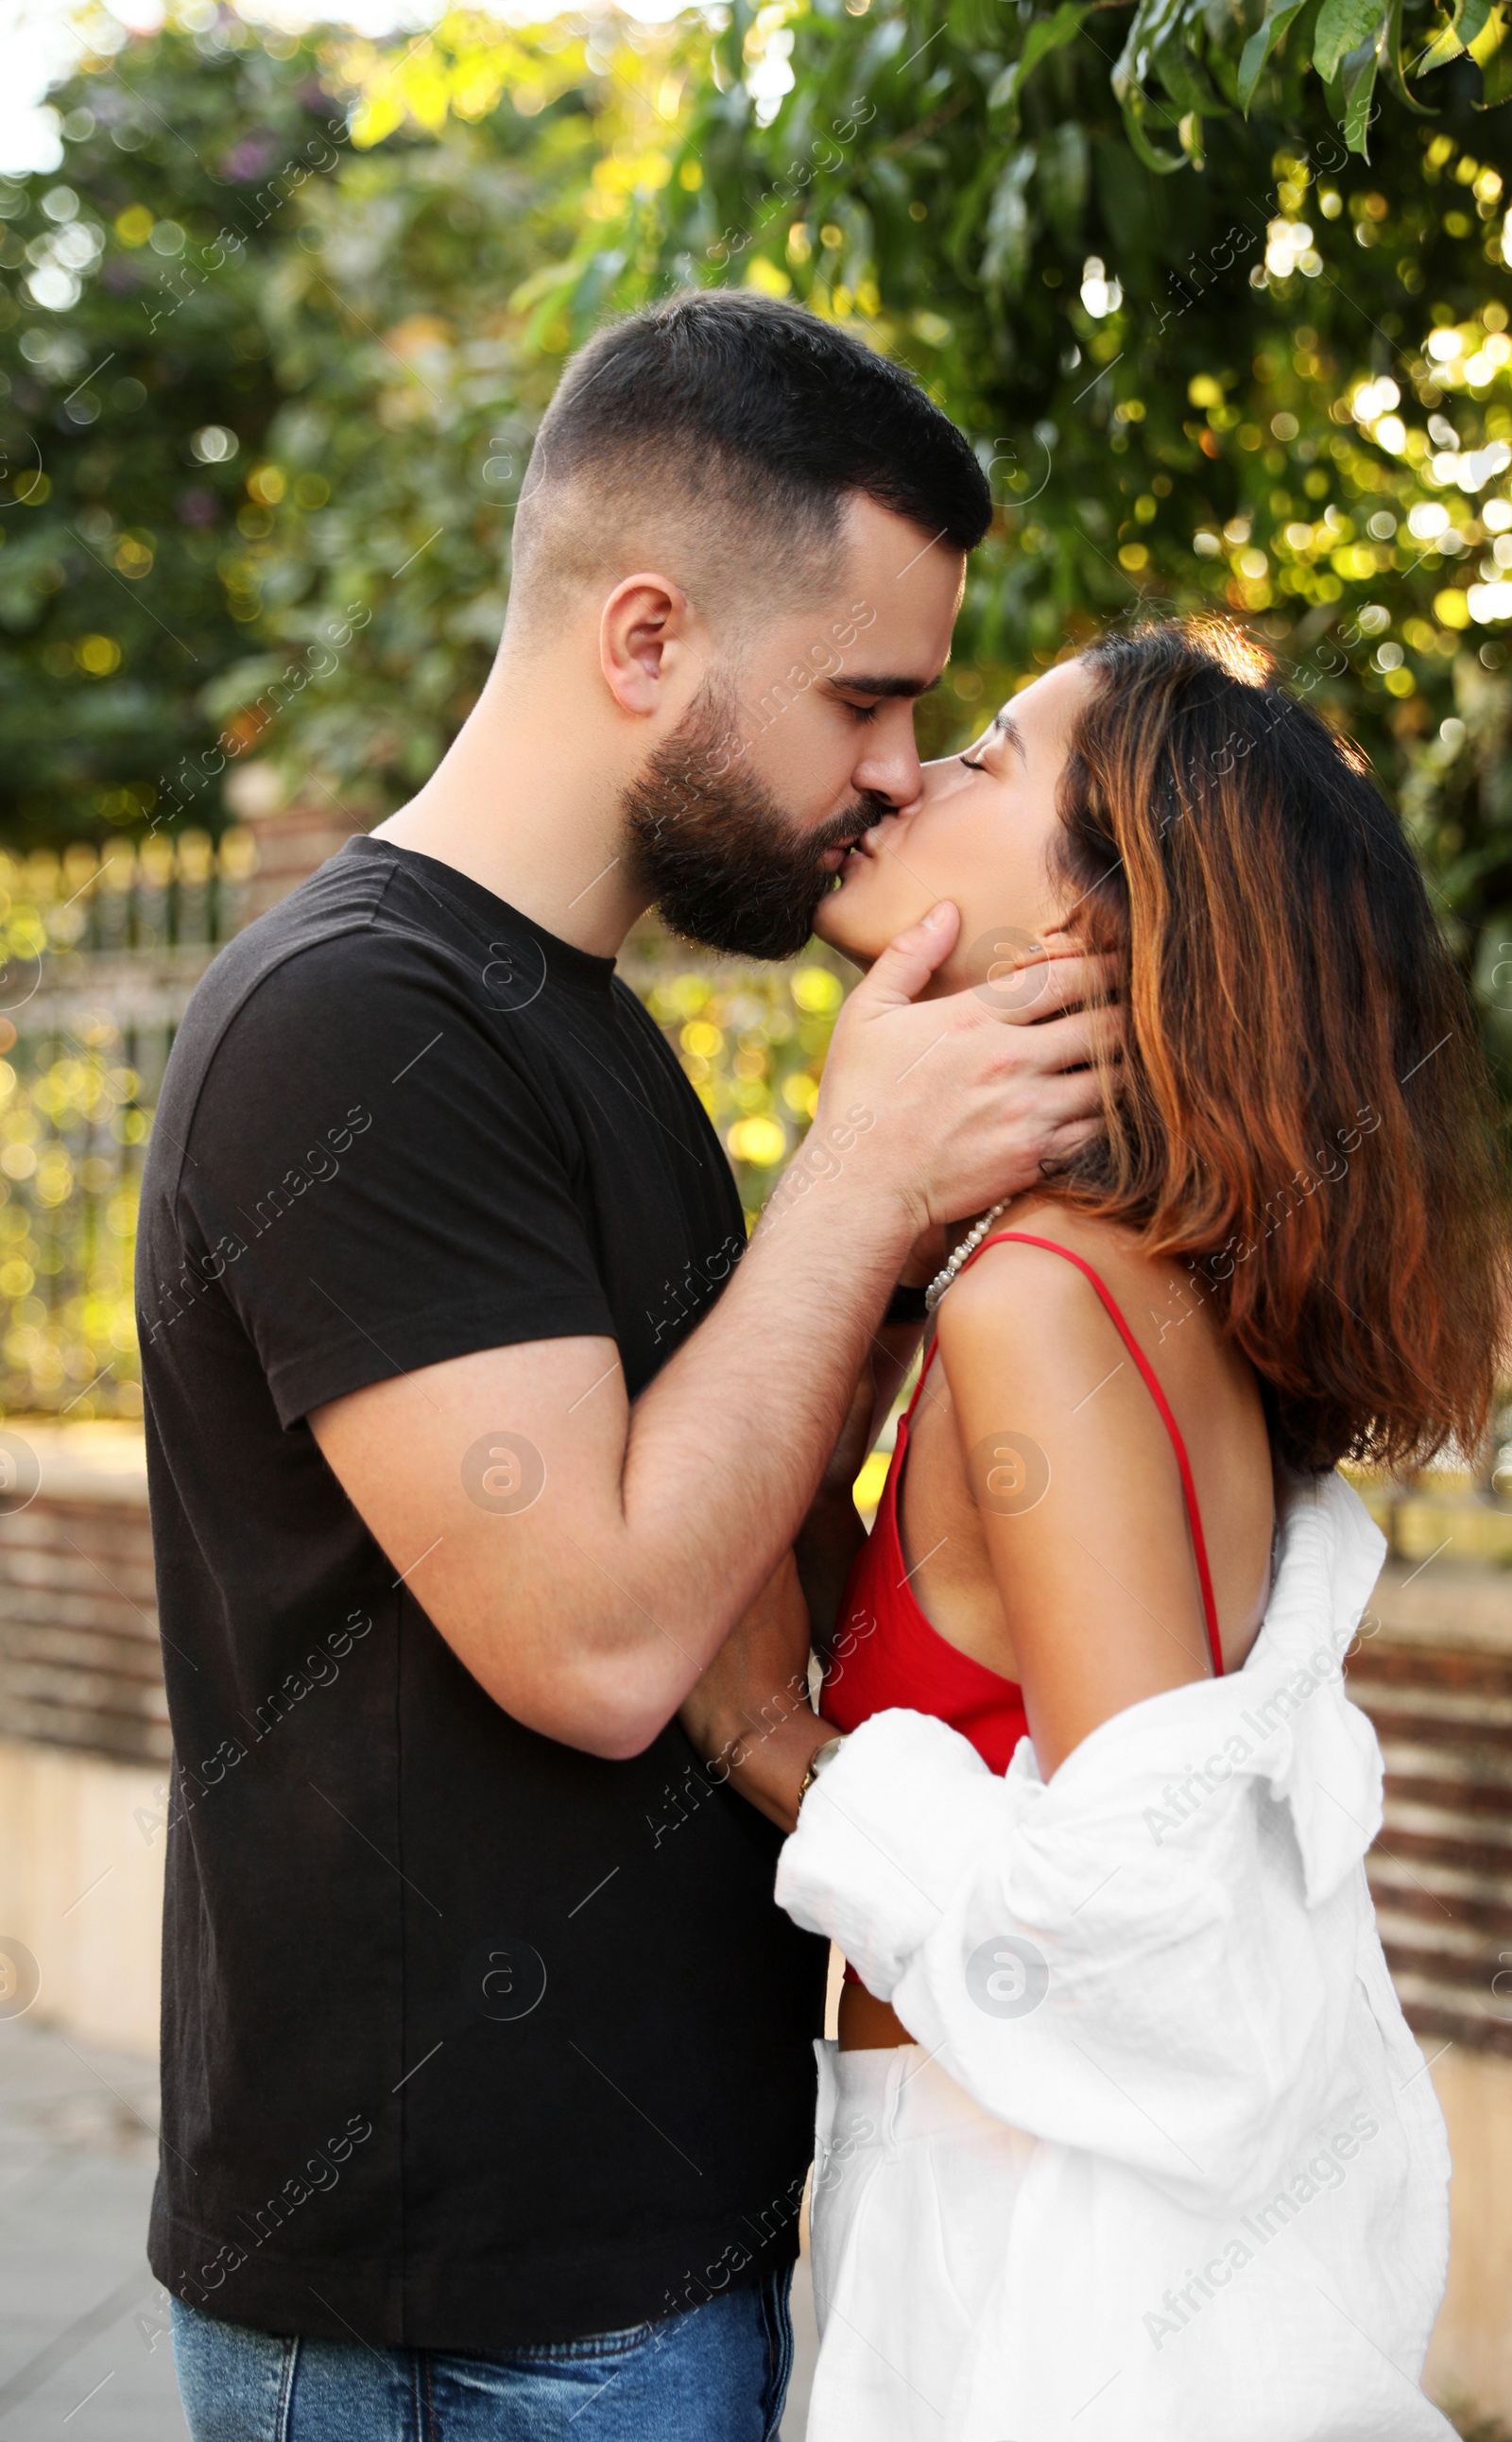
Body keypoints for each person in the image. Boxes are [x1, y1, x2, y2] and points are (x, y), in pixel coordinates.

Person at [138, 292, 1114, 2442]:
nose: (890, 769)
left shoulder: (578, 1019)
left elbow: (709, 1494)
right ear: (649, 639)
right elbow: (590, 1636)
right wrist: (856, 1182)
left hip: (639, 2251)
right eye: (866, 695)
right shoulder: (356, 1024)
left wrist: (900, 1259)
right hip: (460, 2305)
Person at [687, 619, 1508, 2439]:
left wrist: (778, 1758)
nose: (910, 772)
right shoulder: (1104, 1277)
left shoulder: (1045, 1301)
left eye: (988, 757)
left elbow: (1134, 1927)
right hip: (1032, 2214)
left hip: (1053, 2274)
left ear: (1094, 924)